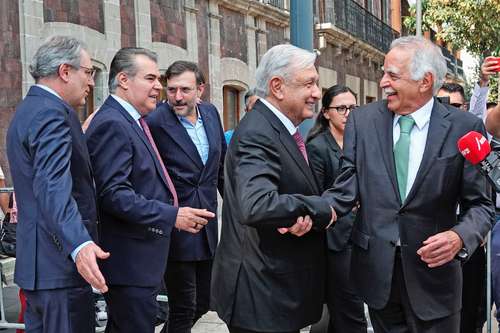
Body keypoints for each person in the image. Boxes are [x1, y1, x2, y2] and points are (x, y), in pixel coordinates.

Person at [324, 36, 493, 332]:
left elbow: (481, 205)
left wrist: (458, 237)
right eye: (383, 73)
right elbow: (344, 189)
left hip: (436, 282)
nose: (382, 83)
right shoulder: (362, 122)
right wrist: (305, 212)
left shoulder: (464, 128)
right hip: (379, 280)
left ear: (425, 81)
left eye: (392, 75)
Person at [85, 47, 214, 333]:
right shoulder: (113, 123)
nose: (158, 86)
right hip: (128, 262)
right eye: (151, 78)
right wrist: (172, 215)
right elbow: (113, 195)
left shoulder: (130, 119)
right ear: (123, 79)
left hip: (139, 262)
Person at [211, 44, 335, 333]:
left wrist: (292, 216)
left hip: (274, 293)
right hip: (260, 296)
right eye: (309, 83)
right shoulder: (258, 132)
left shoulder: (275, 127)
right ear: (277, 87)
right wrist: (318, 208)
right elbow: (256, 204)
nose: (317, 93)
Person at [6, 35, 109, 333]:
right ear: (65, 71)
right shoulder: (52, 114)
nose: (90, 82)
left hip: (39, 269)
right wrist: (79, 245)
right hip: (60, 268)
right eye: (88, 72)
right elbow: (53, 187)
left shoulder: (29, 110)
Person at [146, 60, 226, 333]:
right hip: (177, 226)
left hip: (208, 224)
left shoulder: (212, 113)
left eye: (185, 90)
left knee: (204, 301)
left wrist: (240, 209)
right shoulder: (155, 120)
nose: (177, 97)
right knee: (184, 306)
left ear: (200, 89)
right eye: (171, 90)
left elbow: (221, 167)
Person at [306, 85, 367, 333]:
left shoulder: (363, 142)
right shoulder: (318, 146)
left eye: (353, 107)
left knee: (340, 311)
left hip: (364, 235)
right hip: (335, 239)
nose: (348, 113)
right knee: (350, 312)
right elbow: (315, 195)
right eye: (341, 108)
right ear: (326, 113)